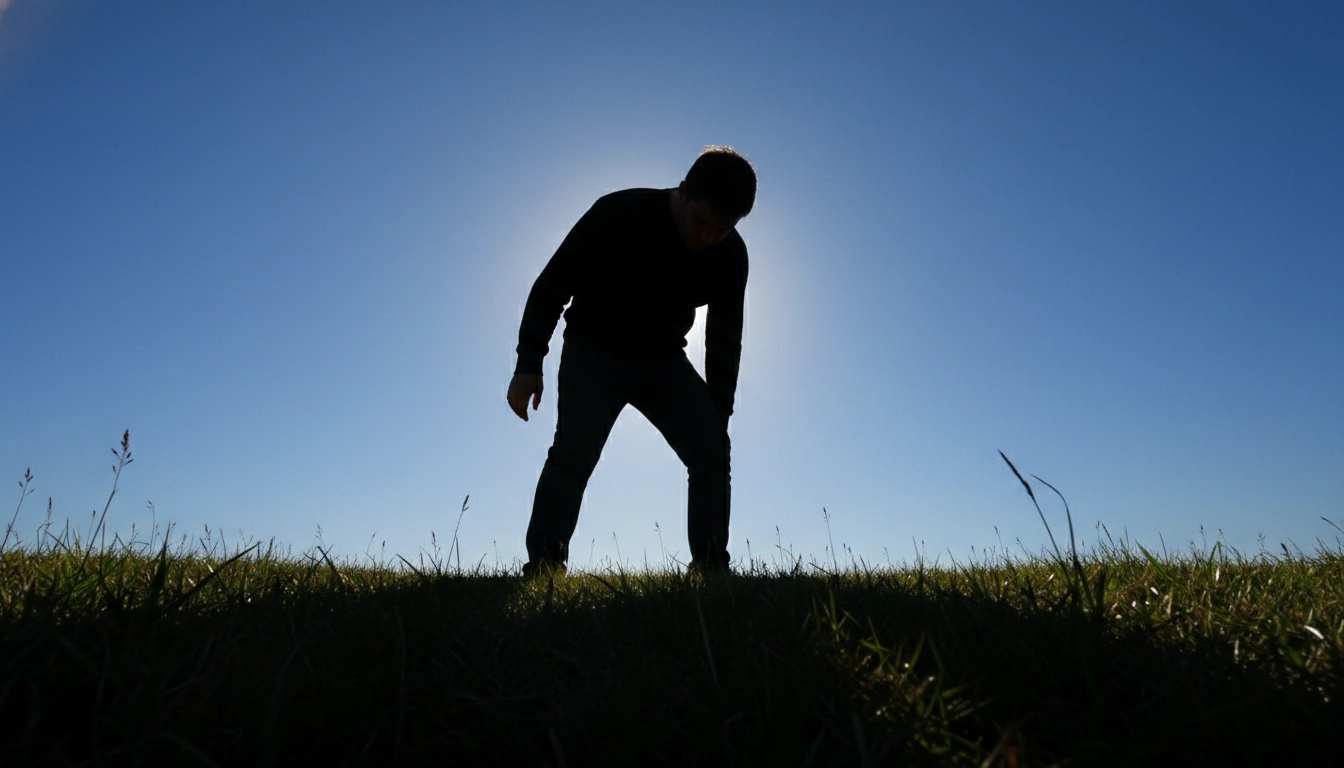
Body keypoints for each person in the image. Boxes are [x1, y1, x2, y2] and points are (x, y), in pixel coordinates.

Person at [507, 146, 756, 576]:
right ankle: (545, 566)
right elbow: (552, 285)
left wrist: (719, 409)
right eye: (701, 223)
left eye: (721, 230)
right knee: (573, 456)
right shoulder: (617, 213)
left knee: (712, 447)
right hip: (593, 351)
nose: (706, 239)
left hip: (662, 360)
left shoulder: (730, 254)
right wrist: (528, 363)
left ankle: (712, 570)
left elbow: (724, 337)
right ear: (682, 193)